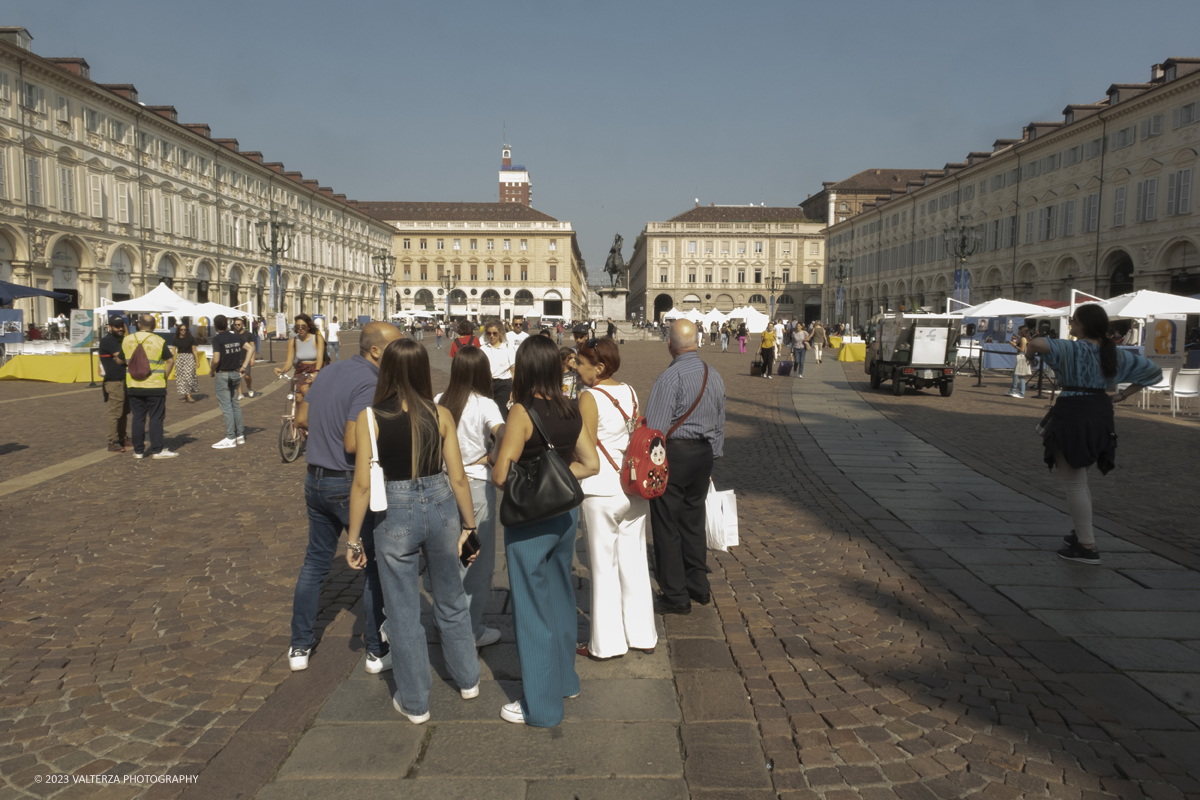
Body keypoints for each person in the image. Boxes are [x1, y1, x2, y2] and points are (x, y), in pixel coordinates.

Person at [346, 338, 481, 724]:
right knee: (451, 596)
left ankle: (416, 701)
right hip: (440, 504)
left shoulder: (368, 418)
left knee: (403, 611)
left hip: (395, 509)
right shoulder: (440, 414)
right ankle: (468, 679)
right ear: (423, 370)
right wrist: (469, 525)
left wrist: (354, 539)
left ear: (385, 370)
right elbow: (458, 477)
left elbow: (360, 486)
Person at [491, 336, 599, 726]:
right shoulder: (570, 408)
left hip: (530, 520)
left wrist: (508, 447)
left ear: (525, 368)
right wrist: (556, 480)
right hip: (565, 513)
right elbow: (590, 464)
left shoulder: (522, 411)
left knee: (531, 608)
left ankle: (543, 706)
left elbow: (501, 475)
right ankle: (566, 680)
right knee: (559, 594)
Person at [289, 322, 401, 675]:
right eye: (396, 347)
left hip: (315, 479)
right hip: (349, 482)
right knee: (372, 566)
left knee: (314, 563)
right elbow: (354, 443)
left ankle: (299, 645)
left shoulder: (329, 370)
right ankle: (375, 650)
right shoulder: (371, 382)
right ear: (377, 351)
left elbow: (302, 417)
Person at [1024, 305, 1161, 565]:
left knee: (1074, 481)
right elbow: (1154, 372)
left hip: (1074, 411)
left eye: (1074, 321)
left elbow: (1037, 342)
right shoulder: (1114, 353)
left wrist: (1029, 355)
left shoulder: (1071, 348)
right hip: (1100, 410)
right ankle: (1081, 533)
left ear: (1083, 324)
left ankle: (1087, 546)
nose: (1071, 325)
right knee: (1080, 477)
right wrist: (1121, 395)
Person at [574, 337, 657, 660]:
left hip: (601, 489)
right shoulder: (631, 391)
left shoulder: (590, 397)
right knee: (634, 561)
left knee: (603, 567)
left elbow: (586, 444)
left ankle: (607, 643)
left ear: (599, 367)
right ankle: (642, 634)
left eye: (581, 363)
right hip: (632, 486)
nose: (576, 368)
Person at [646, 320, 726, 614]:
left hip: (674, 455)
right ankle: (698, 586)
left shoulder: (670, 378)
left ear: (670, 342)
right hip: (703, 454)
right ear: (697, 341)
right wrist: (712, 457)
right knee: (693, 521)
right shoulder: (713, 374)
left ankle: (675, 594)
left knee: (666, 524)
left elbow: (655, 430)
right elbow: (719, 421)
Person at [435, 346, 505, 648]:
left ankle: (448, 623)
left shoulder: (439, 400)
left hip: (441, 485)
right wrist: (492, 457)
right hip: (475, 486)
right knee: (475, 562)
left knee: (447, 559)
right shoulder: (485, 404)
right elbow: (503, 433)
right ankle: (469, 631)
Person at [123, 314, 178, 459]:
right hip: (155, 385)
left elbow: (120, 360)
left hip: (134, 385)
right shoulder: (159, 341)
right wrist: (164, 377)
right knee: (156, 418)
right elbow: (170, 361)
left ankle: (138, 451)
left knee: (137, 418)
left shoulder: (127, 340)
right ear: (154, 326)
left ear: (138, 325)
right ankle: (157, 450)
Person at [209, 315, 254, 449]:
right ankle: (240, 435)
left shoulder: (217, 339)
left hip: (223, 374)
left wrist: (211, 370)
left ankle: (230, 437)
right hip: (236, 373)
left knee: (226, 406)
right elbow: (250, 349)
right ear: (228, 324)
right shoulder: (235, 337)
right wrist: (244, 366)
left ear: (216, 326)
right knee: (235, 404)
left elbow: (216, 359)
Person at [274, 314, 325, 403]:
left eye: (303, 326)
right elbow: (289, 362)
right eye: (298, 327)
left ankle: (315, 413)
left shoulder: (317, 338)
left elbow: (320, 357)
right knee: (297, 398)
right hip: (301, 370)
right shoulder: (292, 341)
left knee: (305, 390)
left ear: (308, 327)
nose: (300, 329)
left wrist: (316, 372)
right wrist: (282, 370)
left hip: (316, 368)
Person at [98, 316, 130, 452]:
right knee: (115, 412)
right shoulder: (108, 341)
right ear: (109, 327)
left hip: (125, 379)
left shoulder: (122, 340)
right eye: (117, 326)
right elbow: (123, 358)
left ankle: (123, 437)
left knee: (124, 412)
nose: (121, 329)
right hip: (114, 381)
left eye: (122, 325)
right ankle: (113, 441)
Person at [482, 320, 516, 420]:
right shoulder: (483, 349)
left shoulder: (508, 348)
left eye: (494, 333)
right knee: (488, 414)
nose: (491, 336)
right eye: (489, 333)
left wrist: (513, 389)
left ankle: (502, 435)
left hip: (504, 384)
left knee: (502, 414)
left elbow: (514, 371)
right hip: (487, 384)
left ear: (500, 333)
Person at [171, 322, 199, 403]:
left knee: (189, 376)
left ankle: (189, 396)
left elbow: (194, 350)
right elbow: (173, 351)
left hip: (189, 357)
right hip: (180, 358)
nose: (183, 331)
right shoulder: (175, 339)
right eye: (181, 329)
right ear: (179, 330)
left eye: (185, 330)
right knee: (182, 378)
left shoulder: (191, 338)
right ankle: (186, 396)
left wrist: (197, 361)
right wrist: (169, 359)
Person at [233, 318, 257, 400]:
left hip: (246, 359)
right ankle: (240, 393)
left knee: (247, 376)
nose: (237, 326)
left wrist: (253, 358)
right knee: (238, 377)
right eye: (235, 324)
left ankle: (249, 387)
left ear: (243, 325)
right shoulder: (234, 335)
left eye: (239, 324)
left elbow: (252, 347)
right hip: (236, 358)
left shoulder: (248, 334)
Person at [1008, 325, 1033, 399]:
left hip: (1022, 357)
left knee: (1021, 376)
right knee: (1017, 374)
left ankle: (1021, 393)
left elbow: (1022, 349)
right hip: (1023, 357)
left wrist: (1014, 345)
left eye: (1019, 330)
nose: (1018, 331)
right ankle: (1015, 391)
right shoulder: (1025, 338)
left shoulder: (1023, 339)